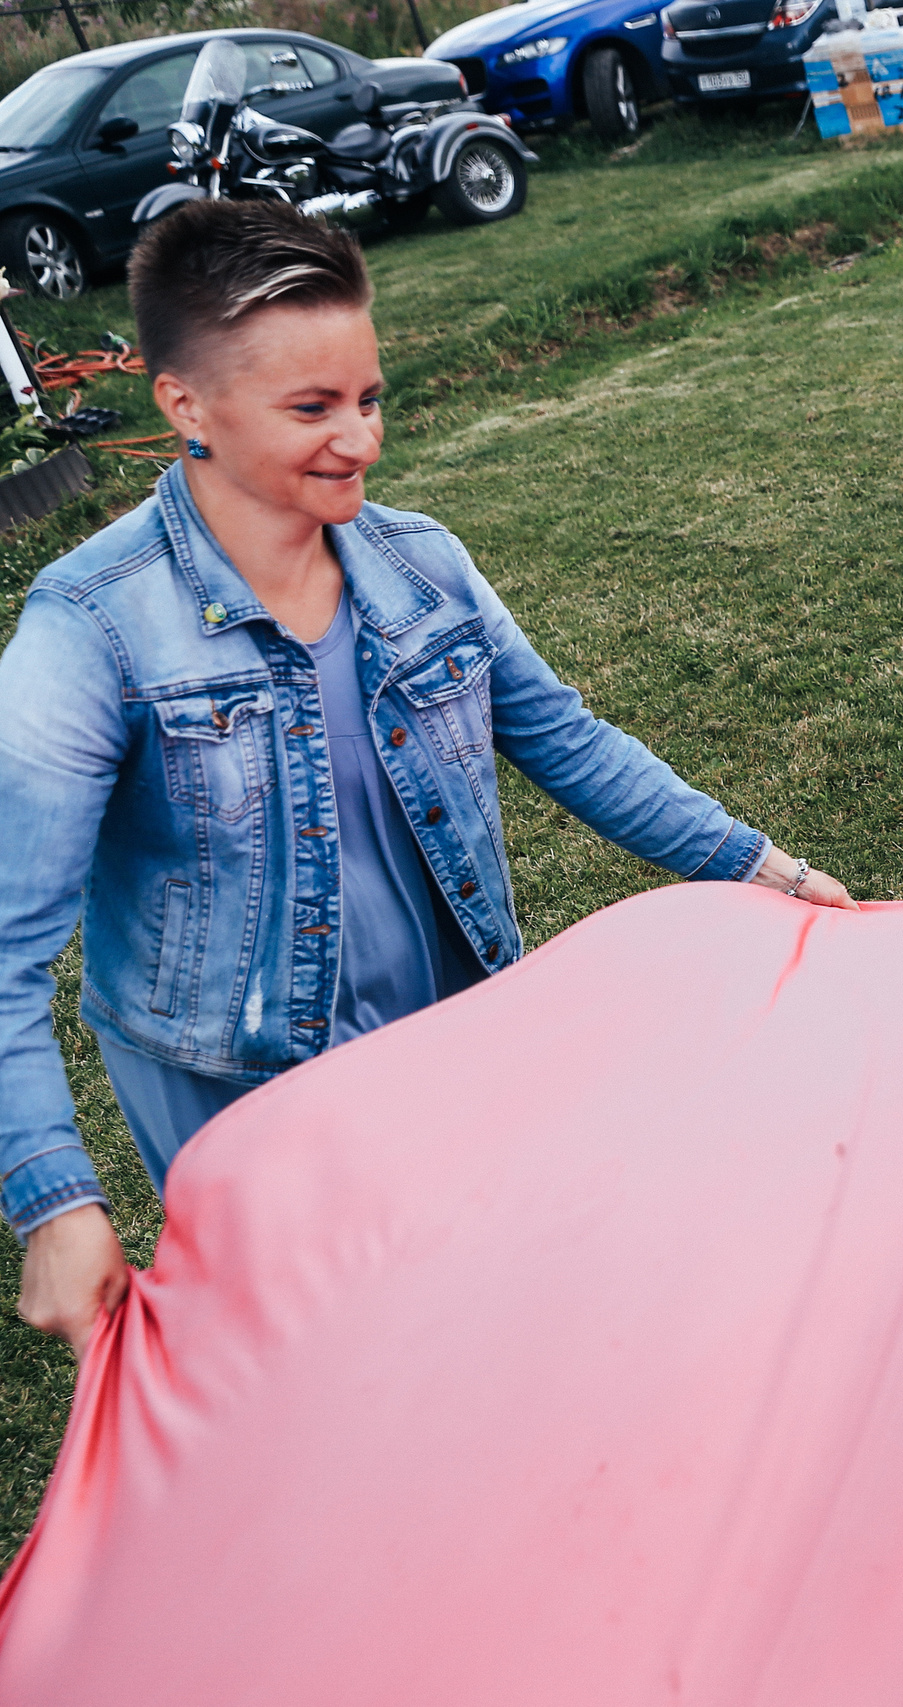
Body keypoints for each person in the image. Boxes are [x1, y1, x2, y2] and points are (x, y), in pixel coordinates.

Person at [0, 200, 854, 1358]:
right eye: (312, 409)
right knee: (334, 1366)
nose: (360, 440)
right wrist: (54, 1200)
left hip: (458, 1041)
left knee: (495, 1333)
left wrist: (767, 869)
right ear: (185, 405)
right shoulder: (89, 627)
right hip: (249, 1098)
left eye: (369, 398)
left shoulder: (423, 565)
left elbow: (569, 742)